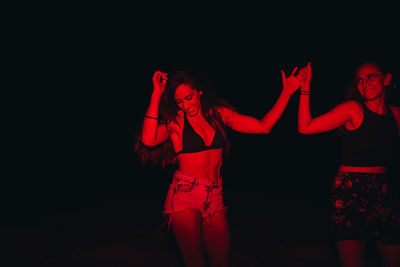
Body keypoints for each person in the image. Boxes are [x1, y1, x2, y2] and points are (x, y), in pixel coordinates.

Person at [135, 68, 300, 267]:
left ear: (199, 91)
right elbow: (148, 139)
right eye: (180, 101)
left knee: (222, 262)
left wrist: (286, 93)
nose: (186, 105)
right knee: (195, 262)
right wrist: (156, 93)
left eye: (189, 98)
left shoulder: (218, 114)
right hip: (185, 193)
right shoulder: (177, 121)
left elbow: (263, 126)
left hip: (214, 194)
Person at [297, 61, 400, 267]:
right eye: (360, 80)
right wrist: (305, 88)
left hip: (383, 189)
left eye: (371, 77)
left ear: (387, 79)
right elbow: (305, 127)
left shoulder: (396, 114)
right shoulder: (353, 109)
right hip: (350, 190)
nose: (364, 84)